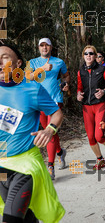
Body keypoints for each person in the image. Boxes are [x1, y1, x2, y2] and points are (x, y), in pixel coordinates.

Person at [0, 44, 65, 223]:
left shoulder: (32, 89)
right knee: (27, 217)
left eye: (4, 57)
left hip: (24, 166)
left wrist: (50, 129)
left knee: (11, 219)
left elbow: (57, 113)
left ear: (18, 63)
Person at [28, 38, 69, 180]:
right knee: (50, 131)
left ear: (51, 47)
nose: (44, 48)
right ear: (38, 48)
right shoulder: (32, 63)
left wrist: (65, 84)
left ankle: (50, 167)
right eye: (42, 46)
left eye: (47, 45)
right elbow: (27, 78)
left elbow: (66, 76)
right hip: (39, 102)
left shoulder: (59, 62)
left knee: (49, 131)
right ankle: (59, 152)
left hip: (55, 100)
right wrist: (42, 69)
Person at [77, 45, 105, 170]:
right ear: (83, 56)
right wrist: (78, 94)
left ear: (95, 56)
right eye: (86, 53)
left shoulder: (102, 69)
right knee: (90, 137)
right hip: (87, 108)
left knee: (99, 136)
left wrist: (104, 91)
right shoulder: (80, 71)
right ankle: (100, 159)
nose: (88, 56)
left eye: (91, 53)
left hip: (100, 106)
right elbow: (79, 87)